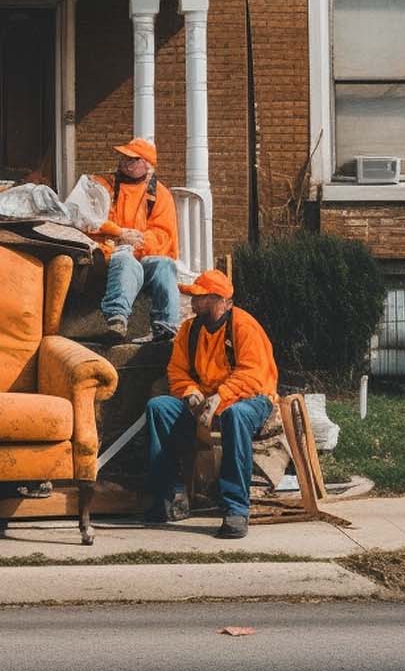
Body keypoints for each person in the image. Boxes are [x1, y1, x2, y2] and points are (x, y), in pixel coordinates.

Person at [141, 268, 278, 539]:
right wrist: (190, 392)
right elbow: (177, 371)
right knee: (158, 408)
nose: (194, 303)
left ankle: (236, 509)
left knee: (235, 416)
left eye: (201, 298)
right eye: (194, 297)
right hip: (206, 399)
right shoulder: (189, 330)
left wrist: (221, 397)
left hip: (251, 399)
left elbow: (252, 374)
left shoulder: (244, 326)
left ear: (222, 302)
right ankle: (168, 497)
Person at [88, 137, 179, 342]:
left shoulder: (160, 194)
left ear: (146, 165)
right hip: (110, 255)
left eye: (132, 159)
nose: (124, 162)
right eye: (123, 157)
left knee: (164, 265)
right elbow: (90, 219)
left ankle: (166, 326)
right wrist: (119, 233)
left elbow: (164, 234)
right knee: (125, 259)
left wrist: (139, 241)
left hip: (143, 255)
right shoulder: (104, 185)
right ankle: (117, 319)